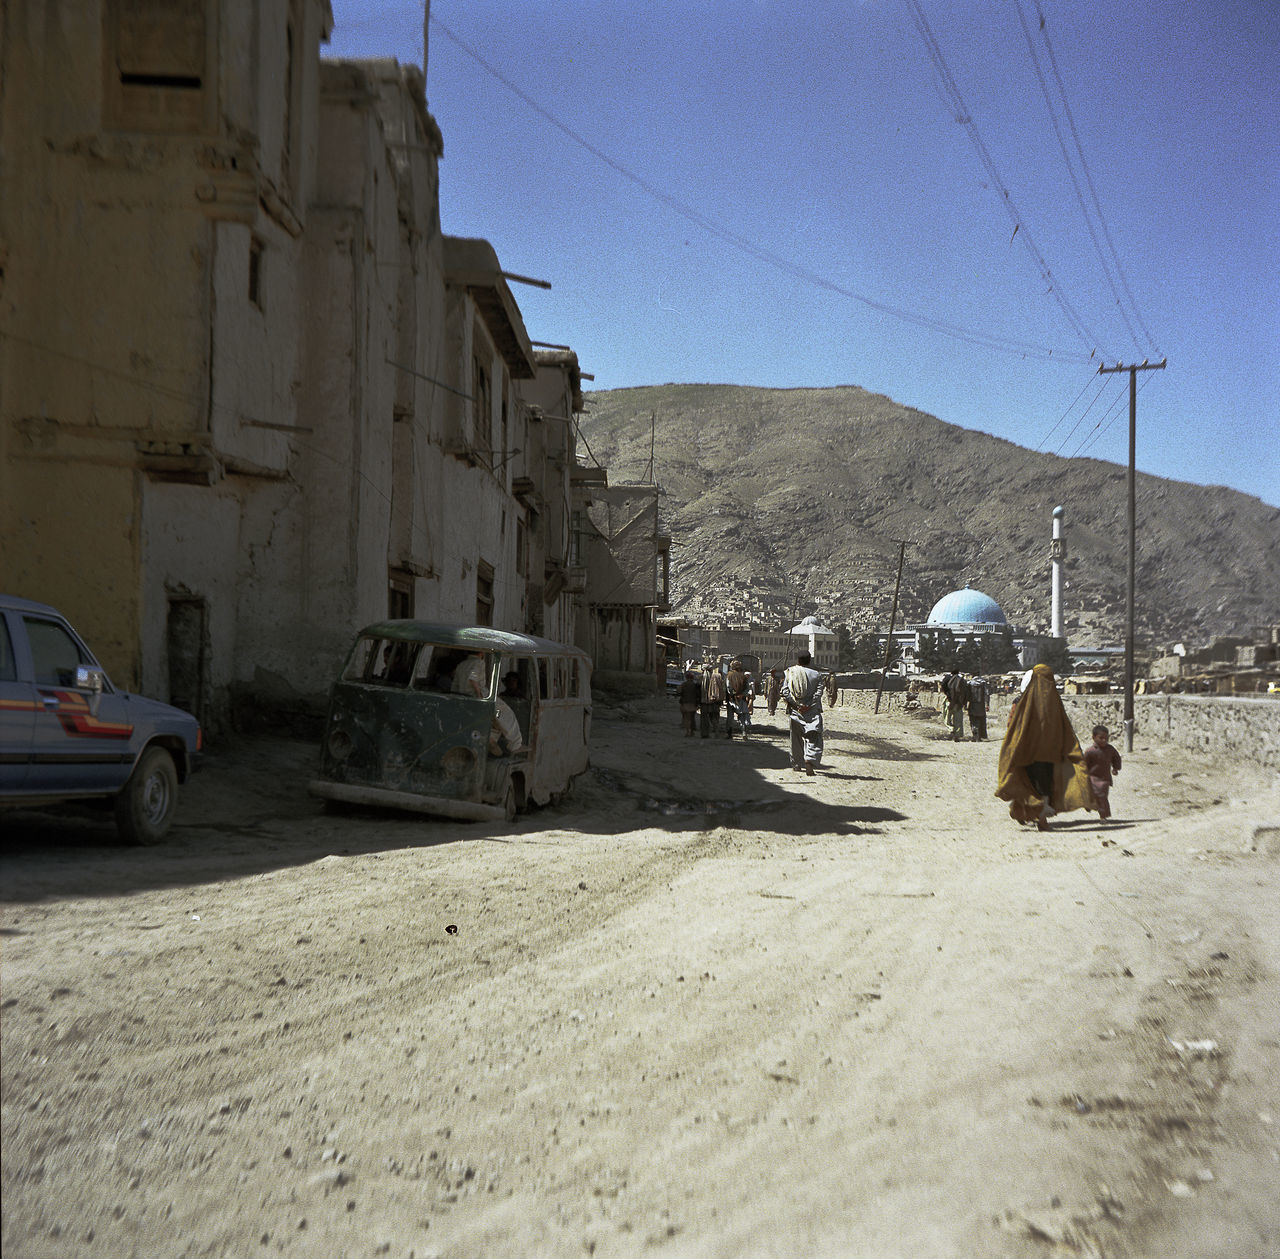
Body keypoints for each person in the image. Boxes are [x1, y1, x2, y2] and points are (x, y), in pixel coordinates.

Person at [995, 663, 1094, 831]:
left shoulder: (1023, 702)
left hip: (1027, 752)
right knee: (1044, 786)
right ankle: (1040, 819)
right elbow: (1064, 728)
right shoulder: (1053, 702)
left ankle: (1028, 813)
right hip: (1049, 753)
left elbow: (1012, 725)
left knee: (1027, 781)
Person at [781, 651, 825, 775]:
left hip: (796, 711)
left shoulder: (790, 672)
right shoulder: (817, 675)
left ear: (798, 660)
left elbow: (785, 691)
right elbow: (818, 693)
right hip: (812, 712)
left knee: (795, 738)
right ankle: (809, 760)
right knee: (813, 736)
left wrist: (797, 705)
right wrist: (808, 705)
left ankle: (796, 763)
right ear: (809, 660)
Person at [1083, 725, 1123, 821]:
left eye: (1106, 738)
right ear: (1093, 738)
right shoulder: (1090, 751)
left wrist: (1115, 768)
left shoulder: (1110, 749)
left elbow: (1116, 758)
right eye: (1101, 738)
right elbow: (1084, 765)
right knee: (1090, 794)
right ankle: (1088, 804)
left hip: (1104, 779)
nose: (1104, 740)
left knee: (1101, 796)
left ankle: (1103, 816)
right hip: (1092, 777)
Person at [725, 658, 750, 739]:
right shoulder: (743, 676)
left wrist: (734, 694)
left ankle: (729, 734)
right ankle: (744, 733)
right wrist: (742, 695)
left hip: (732, 700)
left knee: (730, 718)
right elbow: (747, 688)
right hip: (741, 699)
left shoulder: (729, 675)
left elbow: (729, 688)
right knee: (742, 717)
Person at [699, 664, 725, 738]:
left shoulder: (701, 678)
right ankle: (716, 733)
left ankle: (705, 733)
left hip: (704, 702)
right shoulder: (716, 677)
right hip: (714, 701)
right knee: (714, 718)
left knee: (704, 718)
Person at [944, 670, 969, 741]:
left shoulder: (947, 679)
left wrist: (948, 696)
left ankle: (951, 729)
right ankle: (957, 735)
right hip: (959, 703)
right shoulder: (963, 681)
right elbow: (966, 692)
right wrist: (964, 703)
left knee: (947, 717)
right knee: (958, 719)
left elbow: (943, 686)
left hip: (950, 702)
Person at [676, 670, 702, 738]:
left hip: (685, 703)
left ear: (686, 678)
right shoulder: (695, 685)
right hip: (693, 704)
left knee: (687, 719)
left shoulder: (684, 684)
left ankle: (688, 732)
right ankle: (692, 731)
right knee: (692, 718)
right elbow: (698, 694)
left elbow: (678, 691)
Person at [967, 674, 990, 741]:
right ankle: (981, 736)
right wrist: (987, 704)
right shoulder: (983, 683)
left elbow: (967, 694)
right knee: (981, 720)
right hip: (981, 705)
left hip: (972, 704)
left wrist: (966, 704)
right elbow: (987, 694)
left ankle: (975, 736)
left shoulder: (970, 684)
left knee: (973, 720)